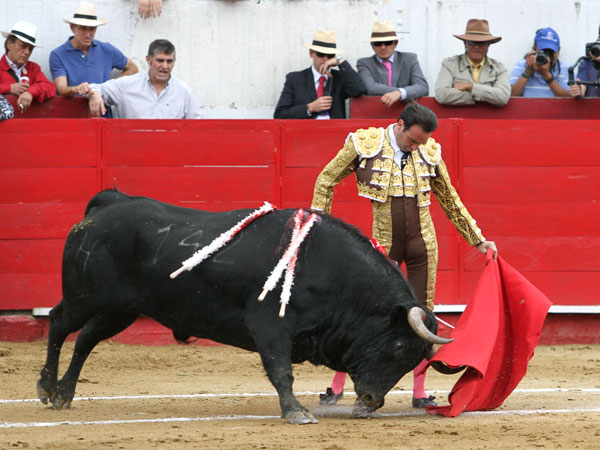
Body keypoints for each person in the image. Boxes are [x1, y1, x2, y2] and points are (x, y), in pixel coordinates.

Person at [311, 103, 497, 408]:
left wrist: (477, 240)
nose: (417, 147)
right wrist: (320, 227)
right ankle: (337, 384)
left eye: (422, 142)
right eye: (413, 140)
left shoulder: (429, 150)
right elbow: (325, 180)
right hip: (384, 246)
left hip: (422, 244)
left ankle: (420, 390)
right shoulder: (365, 144)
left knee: (423, 315)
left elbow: (450, 198)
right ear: (399, 125)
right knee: (367, 316)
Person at [88, 39, 202, 119]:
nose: (165, 66)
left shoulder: (185, 92)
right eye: (160, 60)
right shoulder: (128, 85)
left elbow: (198, 128)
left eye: (169, 61)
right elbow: (96, 88)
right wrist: (95, 94)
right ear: (148, 59)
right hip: (132, 151)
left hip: (170, 151)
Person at [49, 1, 138, 100]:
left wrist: (108, 88)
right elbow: (61, 89)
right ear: (72, 27)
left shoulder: (106, 49)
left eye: (92, 29)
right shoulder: (58, 54)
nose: (88, 34)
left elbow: (133, 69)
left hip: (102, 112)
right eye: (83, 28)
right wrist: (77, 89)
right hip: (73, 113)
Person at [274, 30, 365, 119]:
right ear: (311, 53)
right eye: (321, 54)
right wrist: (310, 108)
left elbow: (359, 89)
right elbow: (280, 114)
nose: (325, 59)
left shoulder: (339, 78)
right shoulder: (295, 79)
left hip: (333, 131)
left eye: (330, 55)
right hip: (305, 132)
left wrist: (340, 61)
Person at [434, 19, 510, 106]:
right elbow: (442, 95)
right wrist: (485, 95)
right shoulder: (449, 64)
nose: (477, 47)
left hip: (489, 118)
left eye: (482, 43)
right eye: (472, 42)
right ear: (465, 43)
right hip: (458, 117)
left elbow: (503, 97)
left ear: (489, 44)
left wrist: (470, 87)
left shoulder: (499, 68)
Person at [357, 20, 428, 107]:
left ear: (395, 43)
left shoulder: (409, 59)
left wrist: (399, 93)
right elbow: (370, 87)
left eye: (387, 42)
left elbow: (423, 87)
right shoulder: (364, 63)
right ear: (372, 45)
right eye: (378, 43)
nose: (383, 47)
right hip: (376, 112)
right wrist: (401, 92)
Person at [0, 21, 55, 114]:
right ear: (9, 44)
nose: (27, 52)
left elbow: (50, 88)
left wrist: (30, 92)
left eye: (30, 48)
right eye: (23, 46)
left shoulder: (33, 68)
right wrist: (9, 88)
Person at [510, 27, 572, 97]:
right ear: (534, 49)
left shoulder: (567, 69)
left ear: (558, 51)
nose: (547, 56)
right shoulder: (522, 65)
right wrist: (527, 70)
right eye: (543, 51)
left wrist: (546, 75)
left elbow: (569, 99)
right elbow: (512, 96)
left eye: (551, 52)